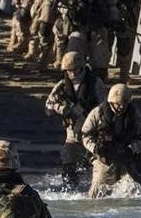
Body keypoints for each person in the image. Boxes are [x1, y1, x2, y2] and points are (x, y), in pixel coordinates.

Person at [45, 51, 108, 189]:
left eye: (73, 70)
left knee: (99, 164)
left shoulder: (95, 83)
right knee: (68, 161)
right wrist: (63, 109)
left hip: (93, 132)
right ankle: (70, 188)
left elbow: (105, 107)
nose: (70, 74)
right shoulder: (62, 85)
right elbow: (49, 105)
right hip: (72, 132)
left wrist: (91, 116)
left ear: (81, 68)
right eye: (67, 71)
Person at [54, 0, 120, 81]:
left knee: (100, 67)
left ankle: (97, 89)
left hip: (98, 28)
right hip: (77, 27)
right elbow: (58, 1)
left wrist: (114, 19)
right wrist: (68, 12)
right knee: (73, 62)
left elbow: (113, 4)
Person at [81, 83, 141, 198]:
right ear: (111, 102)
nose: (121, 107)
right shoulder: (98, 113)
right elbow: (86, 135)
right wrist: (95, 148)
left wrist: (132, 148)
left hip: (127, 158)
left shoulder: (134, 114)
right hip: (104, 159)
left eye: (125, 103)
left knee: (138, 190)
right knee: (96, 194)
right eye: (118, 104)